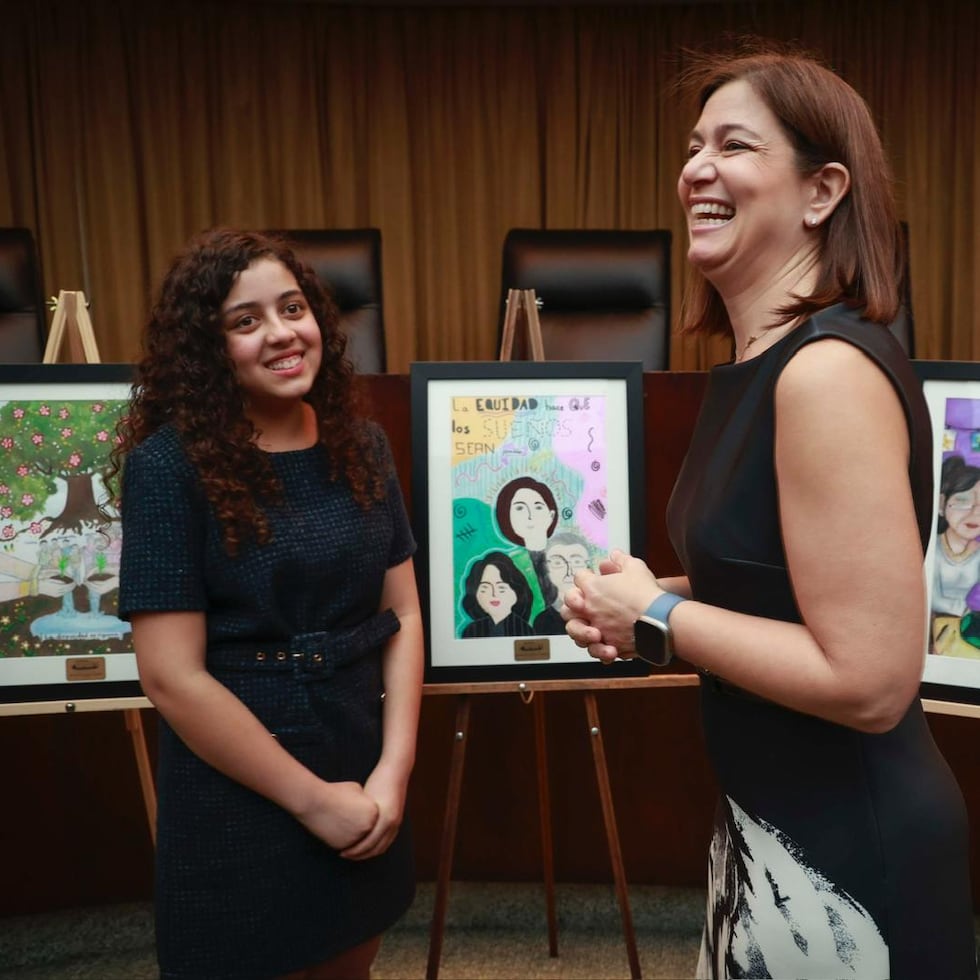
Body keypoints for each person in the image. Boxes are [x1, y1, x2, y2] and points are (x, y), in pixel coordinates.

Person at [562, 44, 977, 980]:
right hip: (765, 832)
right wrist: (648, 602)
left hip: (848, 858)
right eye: (693, 145)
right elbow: (778, 588)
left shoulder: (826, 371)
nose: (697, 168)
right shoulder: (766, 366)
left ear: (822, 191)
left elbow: (871, 679)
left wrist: (661, 616)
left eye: (735, 145)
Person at [112, 228, 423, 980]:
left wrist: (394, 770)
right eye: (245, 321)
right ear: (207, 348)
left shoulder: (363, 445)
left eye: (293, 308)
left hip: (359, 762)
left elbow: (406, 618)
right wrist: (314, 802)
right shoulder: (167, 469)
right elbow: (170, 677)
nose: (281, 334)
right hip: (239, 792)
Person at [931, 454, 980, 656]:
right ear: (942, 504)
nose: (975, 513)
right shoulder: (933, 550)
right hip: (938, 634)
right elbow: (932, 598)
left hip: (969, 634)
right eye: (963, 501)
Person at [460, 550, 535, 638]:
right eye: (485, 588)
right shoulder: (471, 631)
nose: (494, 594)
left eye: (501, 588)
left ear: (516, 593)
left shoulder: (524, 631)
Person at [533, 530, 593, 635]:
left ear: (588, 566)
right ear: (546, 569)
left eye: (577, 562)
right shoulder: (542, 620)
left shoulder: (599, 614)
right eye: (558, 562)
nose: (569, 571)